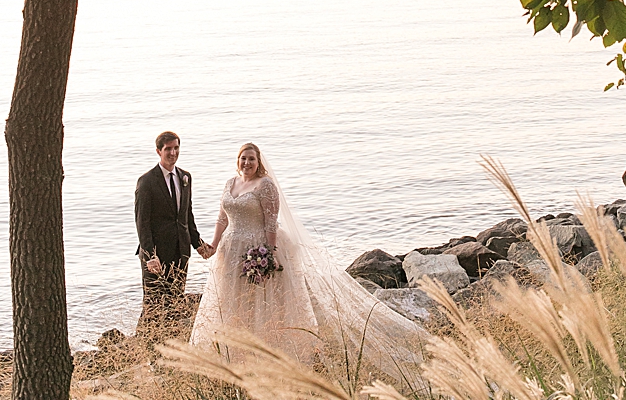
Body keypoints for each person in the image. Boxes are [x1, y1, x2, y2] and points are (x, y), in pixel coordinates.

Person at [190, 143, 426, 386]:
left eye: (251, 159)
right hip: (231, 252)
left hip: (255, 250)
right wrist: (214, 245)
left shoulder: (266, 185)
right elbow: (221, 218)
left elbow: (271, 223)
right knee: (233, 301)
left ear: (259, 162)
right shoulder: (231, 183)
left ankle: (267, 357)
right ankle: (233, 356)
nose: (246, 163)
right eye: (243, 158)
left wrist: (268, 256)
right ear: (237, 160)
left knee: (262, 303)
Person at [134, 131, 212, 337]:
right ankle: (144, 344)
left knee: (175, 301)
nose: (173, 152)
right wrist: (150, 256)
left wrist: (198, 244)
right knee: (153, 304)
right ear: (158, 151)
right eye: (168, 149)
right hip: (156, 255)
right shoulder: (147, 181)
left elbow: (187, 214)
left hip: (180, 250)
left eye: (176, 148)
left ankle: (171, 345)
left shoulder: (185, 177)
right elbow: (142, 222)